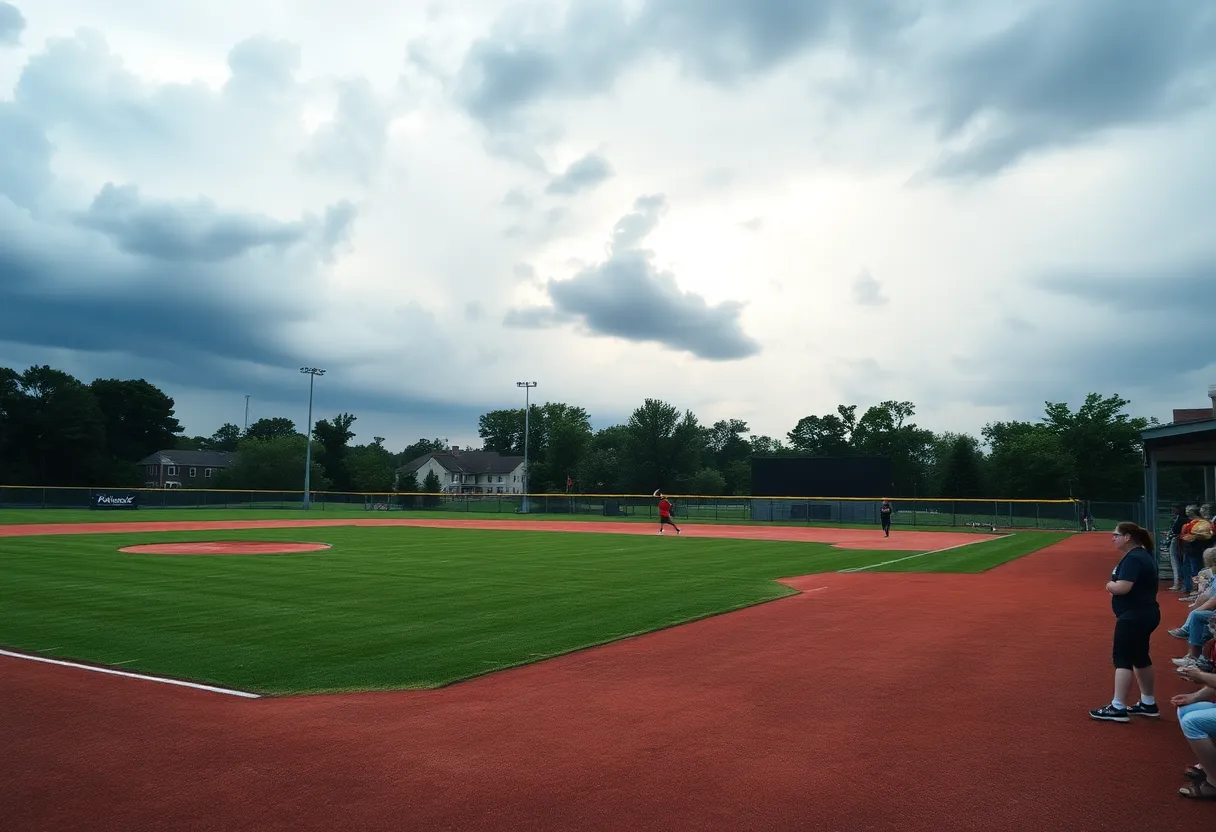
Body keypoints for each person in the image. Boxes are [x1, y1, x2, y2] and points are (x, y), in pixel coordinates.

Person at [1090, 521, 1161, 722]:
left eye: (1116, 535)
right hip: (1145, 613)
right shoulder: (1142, 555)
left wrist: (1109, 585)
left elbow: (1123, 587)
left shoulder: (1134, 558)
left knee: (1122, 659)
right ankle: (1148, 703)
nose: (1113, 538)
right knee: (1140, 658)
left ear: (1127, 537)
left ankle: (1118, 706)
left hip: (1134, 616)